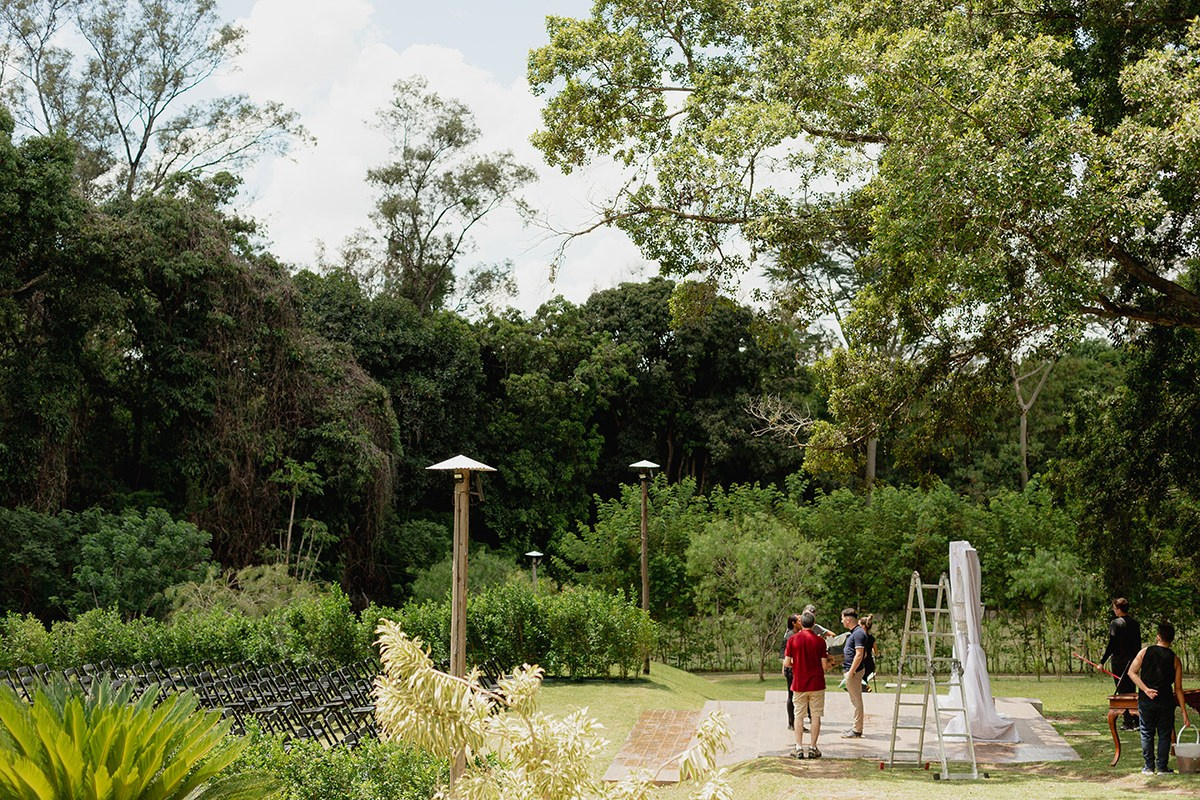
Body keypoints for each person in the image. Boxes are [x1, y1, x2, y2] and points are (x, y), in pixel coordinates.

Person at [1127, 621, 1190, 775]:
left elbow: (1131, 672)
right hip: (1166, 701)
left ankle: (1148, 767)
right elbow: (1178, 688)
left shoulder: (1145, 652)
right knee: (1164, 734)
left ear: (1158, 636)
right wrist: (1184, 712)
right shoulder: (1175, 660)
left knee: (1146, 732)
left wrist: (1145, 689)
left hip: (1146, 700)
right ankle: (1162, 767)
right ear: (1172, 639)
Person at [784, 611, 832, 758]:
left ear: (801, 623)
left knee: (798, 715)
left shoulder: (792, 640)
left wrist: (797, 664)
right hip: (817, 683)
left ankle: (798, 747)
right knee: (816, 716)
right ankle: (813, 747)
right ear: (813, 624)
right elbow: (824, 666)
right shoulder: (820, 641)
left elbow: (787, 663)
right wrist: (832, 664)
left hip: (799, 683)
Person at [1100, 598, 1142, 730]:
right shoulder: (1135, 623)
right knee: (1131, 690)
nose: (1114, 610)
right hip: (1133, 661)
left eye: (1114, 608)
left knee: (1122, 692)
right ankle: (1136, 720)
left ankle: (1128, 721)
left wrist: (1102, 662)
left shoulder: (1115, 623)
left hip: (1119, 662)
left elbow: (1112, 644)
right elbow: (1138, 644)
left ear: (1118, 609)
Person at [840, 608, 874, 738]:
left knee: (856, 701)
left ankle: (857, 730)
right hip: (852, 671)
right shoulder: (855, 633)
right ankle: (856, 726)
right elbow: (863, 654)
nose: (842, 621)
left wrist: (851, 671)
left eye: (843, 618)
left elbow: (860, 654)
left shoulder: (858, 633)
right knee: (855, 700)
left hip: (854, 673)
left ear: (848, 619)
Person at [780, 613, 800, 730]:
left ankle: (797, 722)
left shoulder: (797, 634)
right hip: (791, 669)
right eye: (799, 621)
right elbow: (786, 653)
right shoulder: (790, 636)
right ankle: (792, 723)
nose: (801, 622)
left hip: (796, 668)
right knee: (792, 695)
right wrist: (785, 666)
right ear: (793, 623)